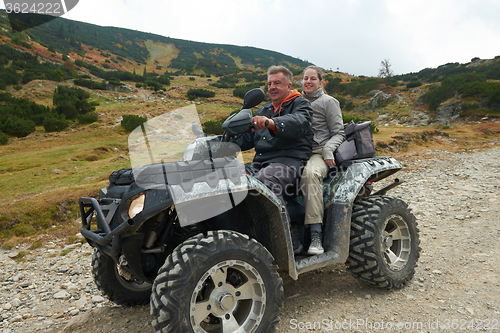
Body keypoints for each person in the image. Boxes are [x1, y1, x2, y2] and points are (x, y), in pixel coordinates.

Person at [236, 65, 313, 254]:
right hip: (261, 164)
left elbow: (299, 123)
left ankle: (286, 242)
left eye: (277, 83)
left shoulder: (300, 104)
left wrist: (271, 123)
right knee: (229, 179)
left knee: (265, 181)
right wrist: (223, 140)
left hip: (290, 165)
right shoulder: (265, 109)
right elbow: (247, 140)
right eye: (270, 84)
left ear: (289, 85)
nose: (272, 87)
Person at [300, 65, 345, 255]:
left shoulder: (329, 102)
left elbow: (339, 132)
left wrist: (327, 150)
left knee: (309, 174)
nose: (308, 82)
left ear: (321, 82)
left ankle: (316, 234)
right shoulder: (295, 101)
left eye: (313, 79)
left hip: (318, 153)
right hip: (297, 153)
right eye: (305, 78)